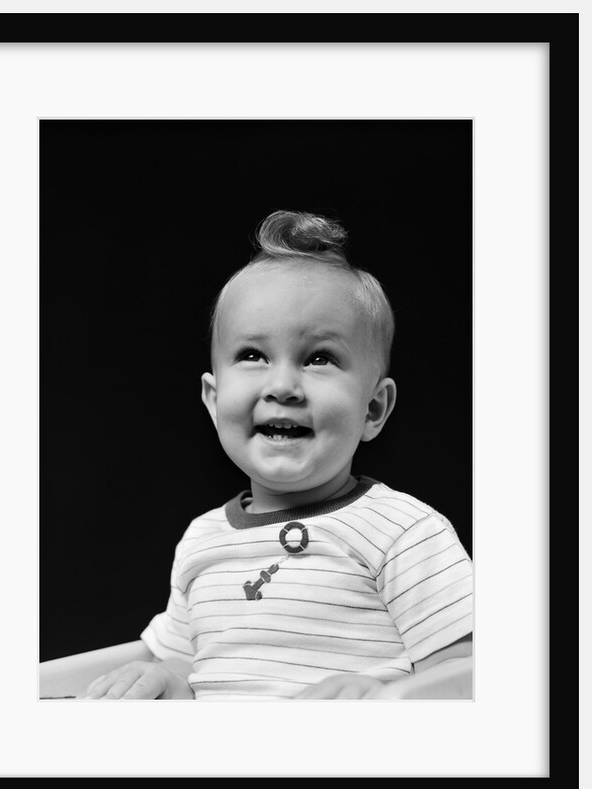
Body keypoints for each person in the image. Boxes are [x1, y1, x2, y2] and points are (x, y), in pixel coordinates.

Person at [82, 210, 473, 701]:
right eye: (252, 355)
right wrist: (164, 679)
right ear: (213, 398)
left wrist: (383, 696)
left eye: (319, 358)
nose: (282, 386)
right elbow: (186, 666)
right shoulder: (201, 542)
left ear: (372, 408)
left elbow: (468, 675)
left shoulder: (402, 533)